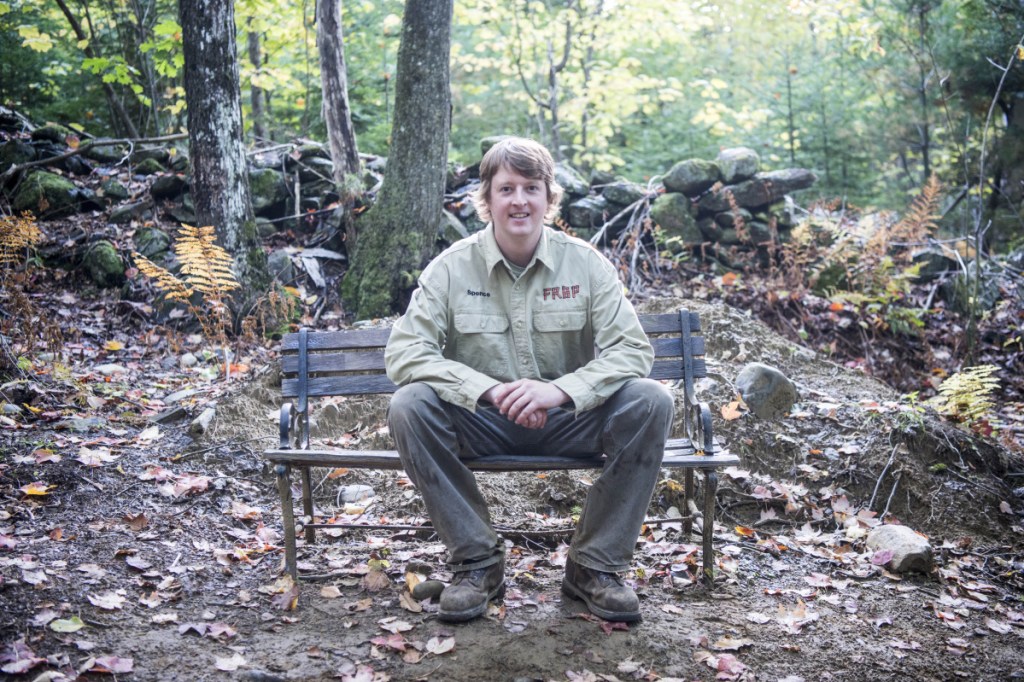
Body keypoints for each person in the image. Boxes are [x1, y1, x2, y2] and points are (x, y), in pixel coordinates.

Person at [384, 136, 673, 623]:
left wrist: (560, 390)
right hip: (481, 422)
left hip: (570, 421)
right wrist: (488, 389)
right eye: (507, 188)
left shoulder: (584, 264)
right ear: (487, 199)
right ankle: (477, 563)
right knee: (409, 404)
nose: (519, 200)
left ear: (548, 197)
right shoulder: (451, 268)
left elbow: (632, 349)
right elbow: (405, 352)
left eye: (531, 188)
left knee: (651, 399)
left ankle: (595, 568)